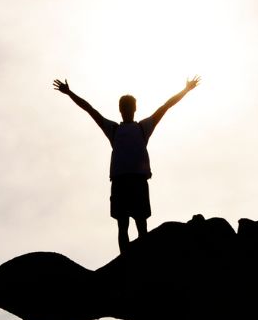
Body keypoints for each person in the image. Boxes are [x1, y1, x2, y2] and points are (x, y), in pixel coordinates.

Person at [53, 76, 201, 253]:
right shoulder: (114, 129)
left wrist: (185, 90)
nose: (127, 110)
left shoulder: (143, 127)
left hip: (137, 182)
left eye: (129, 107)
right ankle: (125, 261)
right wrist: (69, 93)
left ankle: (143, 260)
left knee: (141, 225)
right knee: (123, 226)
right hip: (120, 182)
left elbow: (165, 106)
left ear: (134, 109)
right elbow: (90, 110)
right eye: (124, 107)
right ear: (120, 110)